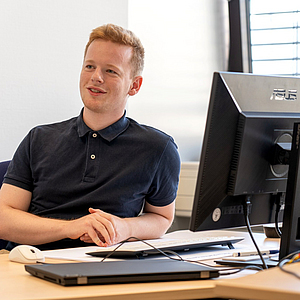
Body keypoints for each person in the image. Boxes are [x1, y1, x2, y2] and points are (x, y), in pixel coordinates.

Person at [0, 24, 181, 250]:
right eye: (89, 66)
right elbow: (4, 219)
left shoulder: (158, 148)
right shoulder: (38, 139)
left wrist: (126, 228)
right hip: (31, 263)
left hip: (107, 265)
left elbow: (162, 219)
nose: (96, 77)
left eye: (110, 71)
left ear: (134, 85)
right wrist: (72, 227)